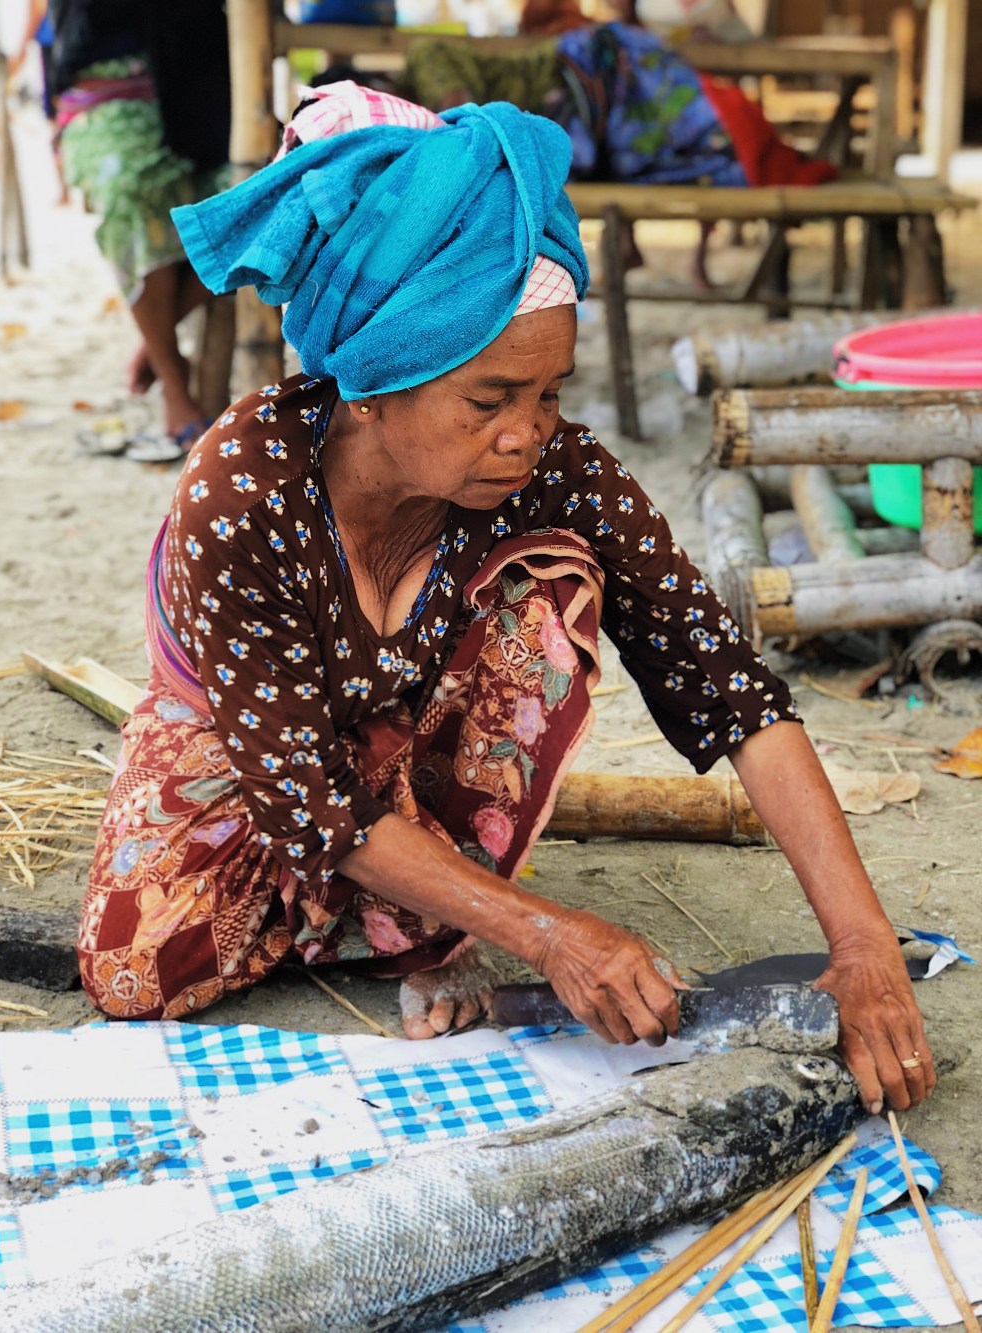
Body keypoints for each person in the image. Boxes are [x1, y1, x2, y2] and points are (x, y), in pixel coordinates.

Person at [78, 82, 933, 1119]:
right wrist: (551, 934)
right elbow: (305, 798)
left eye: (550, 392)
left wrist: (862, 947)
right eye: (490, 400)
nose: (527, 432)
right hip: (254, 732)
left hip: (407, 724)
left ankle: (411, 898)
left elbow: (731, 690)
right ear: (371, 382)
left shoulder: (552, 468)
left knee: (545, 601)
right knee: (134, 971)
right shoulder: (241, 493)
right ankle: (398, 890)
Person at [46, 0, 230, 459]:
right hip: (108, 91)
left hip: (201, 91)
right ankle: (174, 387)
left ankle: (157, 341)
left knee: (250, 204)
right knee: (130, 194)